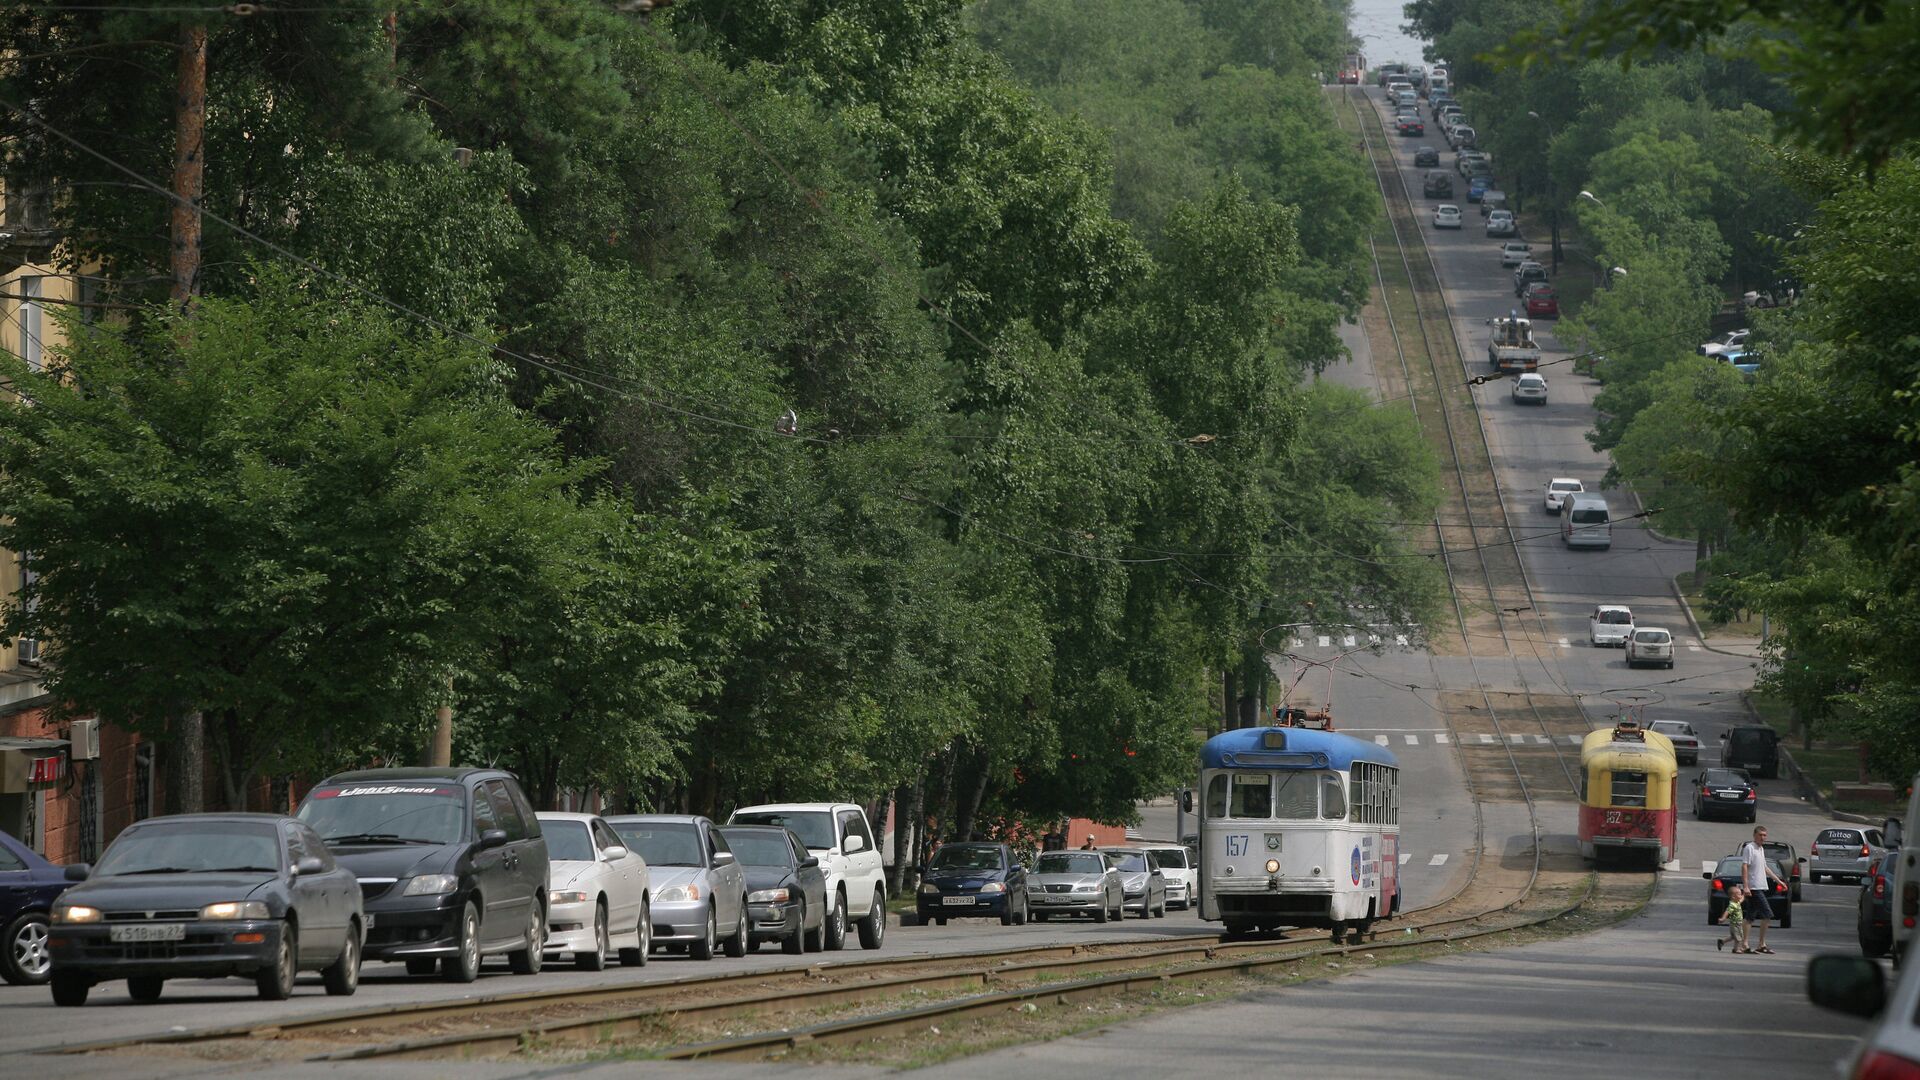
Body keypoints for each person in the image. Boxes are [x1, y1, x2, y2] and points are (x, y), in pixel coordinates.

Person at [1740, 825, 1789, 954]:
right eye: (1760, 835)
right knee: (1767, 915)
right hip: (1754, 887)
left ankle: (1745, 944)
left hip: (1761, 886)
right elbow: (1744, 867)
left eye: (1764, 835)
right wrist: (1745, 886)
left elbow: (1765, 868)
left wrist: (1779, 881)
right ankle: (1760, 944)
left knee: (1750, 916)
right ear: (1754, 835)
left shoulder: (1760, 849)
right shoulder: (1749, 848)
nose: (1763, 837)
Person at [1718, 883, 1747, 952]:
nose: (1740, 896)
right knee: (1738, 937)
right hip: (1735, 924)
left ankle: (1722, 941)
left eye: (1740, 894)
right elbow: (1727, 911)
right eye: (1739, 894)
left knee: (1733, 936)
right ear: (1733, 897)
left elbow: (1742, 899)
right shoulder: (1732, 905)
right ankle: (1736, 949)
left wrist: (1744, 894)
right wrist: (1723, 918)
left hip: (1738, 923)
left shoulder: (1737, 902)